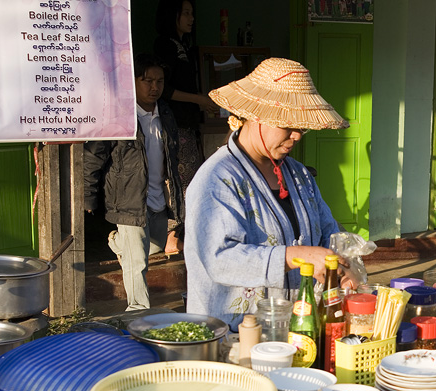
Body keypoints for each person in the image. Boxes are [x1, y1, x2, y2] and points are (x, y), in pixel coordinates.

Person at [184, 57, 354, 330]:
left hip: (297, 327)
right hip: (235, 336)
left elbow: (327, 232)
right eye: (288, 125)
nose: (297, 136)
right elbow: (219, 259)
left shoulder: (298, 176)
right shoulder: (216, 179)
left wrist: (344, 267)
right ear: (256, 116)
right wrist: (295, 255)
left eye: (303, 127)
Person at [83, 54, 184, 311]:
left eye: (159, 81)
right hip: (128, 197)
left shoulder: (166, 115)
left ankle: (118, 243)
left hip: (157, 197)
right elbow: (95, 154)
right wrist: (88, 193)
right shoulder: (119, 117)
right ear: (133, 82)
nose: (154, 87)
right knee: (137, 262)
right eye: (146, 80)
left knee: (156, 246)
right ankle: (138, 312)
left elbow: (172, 157)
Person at [154, 0, 219, 254]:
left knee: (190, 178)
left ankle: (180, 236)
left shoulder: (184, 46)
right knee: (177, 178)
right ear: (174, 15)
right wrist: (199, 100)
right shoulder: (164, 44)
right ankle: (171, 238)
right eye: (187, 13)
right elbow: (166, 90)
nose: (192, 18)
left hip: (188, 123)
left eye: (193, 13)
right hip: (174, 124)